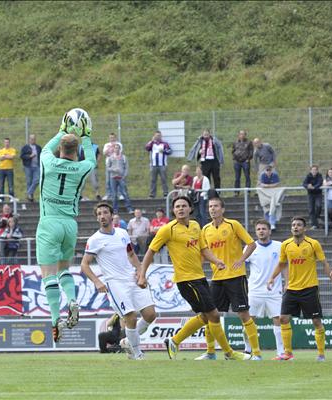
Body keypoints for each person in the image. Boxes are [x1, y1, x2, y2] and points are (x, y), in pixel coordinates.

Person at [140, 196, 250, 360]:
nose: (180, 209)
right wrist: (142, 275)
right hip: (186, 280)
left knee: (206, 316)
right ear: (173, 210)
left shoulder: (195, 226)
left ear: (190, 208)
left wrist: (216, 261)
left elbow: (203, 249)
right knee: (213, 315)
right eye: (177, 206)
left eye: (184, 206)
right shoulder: (168, 229)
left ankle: (174, 341)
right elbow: (151, 251)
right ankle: (229, 353)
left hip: (200, 277)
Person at [36, 110, 96, 342]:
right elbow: (91, 160)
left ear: (60, 148)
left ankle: (55, 320)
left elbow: (45, 149)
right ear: (76, 151)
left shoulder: (48, 161)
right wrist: (86, 135)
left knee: (48, 274)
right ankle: (72, 299)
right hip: (70, 225)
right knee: (64, 270)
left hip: (49, 222)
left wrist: (62, 130)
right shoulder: (82, 168)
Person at [81, 202, 157, 360]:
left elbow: (131, 254)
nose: (102, 216)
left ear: (111, 215)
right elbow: (84, 264)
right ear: (97, 218)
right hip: (115, 283)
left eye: (105, 212)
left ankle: (128, 341)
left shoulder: (122, 233)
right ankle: (137, 354)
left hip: (131, 278)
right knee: (130, 317)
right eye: (99, 214)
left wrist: (140, 272)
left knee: (150, 314)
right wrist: (97, 282)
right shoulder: (94, 239)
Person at [267, 216, 332, 361]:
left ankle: (321, 354)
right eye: (293, 225)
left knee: (316, 321)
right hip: (291, 288)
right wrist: (272, 278)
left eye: (299, 225)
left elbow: (325, 264)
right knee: (283, 318)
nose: (295, 227)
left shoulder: (313, 244)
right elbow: (282, 264)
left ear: (304, 228)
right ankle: (288, 353)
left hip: (309, 288)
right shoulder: (286, 245)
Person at [195, 197, 260, 360]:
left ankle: (256, 353)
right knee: (210, 315)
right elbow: (203, 252)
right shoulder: (205, 230)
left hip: (236, 277)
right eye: (210, 206)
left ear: (222, 209)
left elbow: (252, 244)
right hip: (217, 278)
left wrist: (241, 259)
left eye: (216, 206)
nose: (212, 209)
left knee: (244, 314)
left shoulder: (233, 225)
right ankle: (210, 352)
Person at [243, 219, 286, 359]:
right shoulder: (250, 247)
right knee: (249, 321)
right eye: (258, 229)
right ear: (255, 232)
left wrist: (287, 282)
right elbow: (242, 267)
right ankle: (248, 350)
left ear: (269, 231)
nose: (261, 231)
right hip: (255, 290)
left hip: (274, 290)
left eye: (264, 229)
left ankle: (280, 352)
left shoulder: (279, 246)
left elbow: (284, 265)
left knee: (278, 319)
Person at [106, 143, 133, 215]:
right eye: (115, 148)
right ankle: (115, 209)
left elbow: (126, 167)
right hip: (113, 178)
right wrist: (114, 169)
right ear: (114, 149)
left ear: (120, 149)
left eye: (118, 148)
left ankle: (129, 208)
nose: (116, 149)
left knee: (125, 193)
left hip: (121, 178)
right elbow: (108, 168)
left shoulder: (123, 157)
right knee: (114, 194)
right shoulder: (110, 158)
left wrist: (124, 175)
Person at [145, 130, 172, 199]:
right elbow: (147, 148)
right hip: (153, 165)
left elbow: (170, 151)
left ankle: (165, 193)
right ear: (154, 136)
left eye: (159, 135)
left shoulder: (165, 144)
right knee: (153, 180)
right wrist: (151, 141)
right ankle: (152, 194)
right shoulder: (152, 143)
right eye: (156, 135)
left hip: (162, 164)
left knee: (164, 179)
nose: (158, 137)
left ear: (161, 136)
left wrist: (164, 151)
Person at [257, 166, 283, 230]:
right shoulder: (263, 175)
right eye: (267, 170)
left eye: (269, 170)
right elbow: (261, 184)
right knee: (266, 208)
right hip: (265, 194)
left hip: (273, 194)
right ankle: (268, 224)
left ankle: (272, 223)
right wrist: (270, 186)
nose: (268, 172)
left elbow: (277, 184)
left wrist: (267, 186)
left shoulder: (275, 175)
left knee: (273, 207)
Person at [231, 130, 254, 196]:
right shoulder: (235, 142)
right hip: (237, 162)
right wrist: (234, 158)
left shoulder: (249, 142)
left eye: (243, 134)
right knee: (237, 177)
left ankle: (248, 192)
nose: (242, 135)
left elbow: (251, 151)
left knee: (247, 176)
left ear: (245, 135)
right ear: (238, 135)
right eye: (240, 134)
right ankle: (236, 192)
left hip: (245, 162)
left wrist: (248, 159)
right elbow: (233, 151)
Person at [20, 134, 42, 202]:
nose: (33, 140)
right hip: (28, 166)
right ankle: (30, 197)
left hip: (37, 166)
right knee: (29, 181)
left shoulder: (38, 147)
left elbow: (41, 156)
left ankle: (28, 193)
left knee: (37, 180)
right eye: (31, 139)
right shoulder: (25, 147)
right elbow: (22, 156)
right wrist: (30, 156)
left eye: (34, 139)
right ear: (29, 139)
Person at [102, 133, 123, 200]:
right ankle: (108, 194)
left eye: (113, 137)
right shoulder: (106, 145)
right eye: (110, 137)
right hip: (108, 164)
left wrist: (114, 147)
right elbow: (105, 153)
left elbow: (119, 152)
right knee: (108, 180)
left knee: (118, 179)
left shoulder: (119, 144)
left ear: (115, 138)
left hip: (117, 164)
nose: (112, 139)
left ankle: (119, 194)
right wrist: (110, 148)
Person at [303, 165, 323, 229]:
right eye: (313, 170)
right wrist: (308, 186)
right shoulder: (308, 176)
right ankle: (314, 224)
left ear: (317, 171)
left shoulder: (319, 175)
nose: (314, 171)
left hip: (318, 194)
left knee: (319, 205)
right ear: (310, 171)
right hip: (310, 194)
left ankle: (317, 217)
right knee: (311, 209)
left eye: (315, 170)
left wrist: (314, 187)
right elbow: (304, 183)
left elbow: (320, 183)